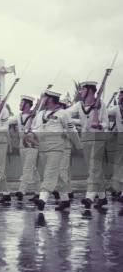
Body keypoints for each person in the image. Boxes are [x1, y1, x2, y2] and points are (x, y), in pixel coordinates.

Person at [32, 90, 82, 211]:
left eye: (45, 97)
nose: (42, 99)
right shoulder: (40, 114)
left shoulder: (63, 113)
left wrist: (78, 145)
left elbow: (72, 130)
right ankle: (65, 200)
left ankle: (42, 199)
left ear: (51, 99)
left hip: (57, 148)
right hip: (43, 148)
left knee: (49, 173)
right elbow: (37, 130)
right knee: (57, 175)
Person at [68, 80, 109, 209]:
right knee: (95, 169)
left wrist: (100, 125)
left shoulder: (101, 105)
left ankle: (89, 197)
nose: (80, 92)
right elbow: (67, 113)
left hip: (98, 138)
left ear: (90, 90)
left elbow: (106, 123)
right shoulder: (79, 105)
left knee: (94, 167)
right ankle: (102, 198)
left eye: (83, 89)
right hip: (85, 139)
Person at [14, 95, 40, 201]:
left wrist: (32, 132)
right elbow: (9, 121)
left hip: (32, 145)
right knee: (32, 169)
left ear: (27, 104)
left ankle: (21, 191)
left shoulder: (36, 116)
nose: (19, 105)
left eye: (21, 103)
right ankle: (38, 192)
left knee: (27, 168)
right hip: (22, 145)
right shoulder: (18, 116)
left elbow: (39, 128)